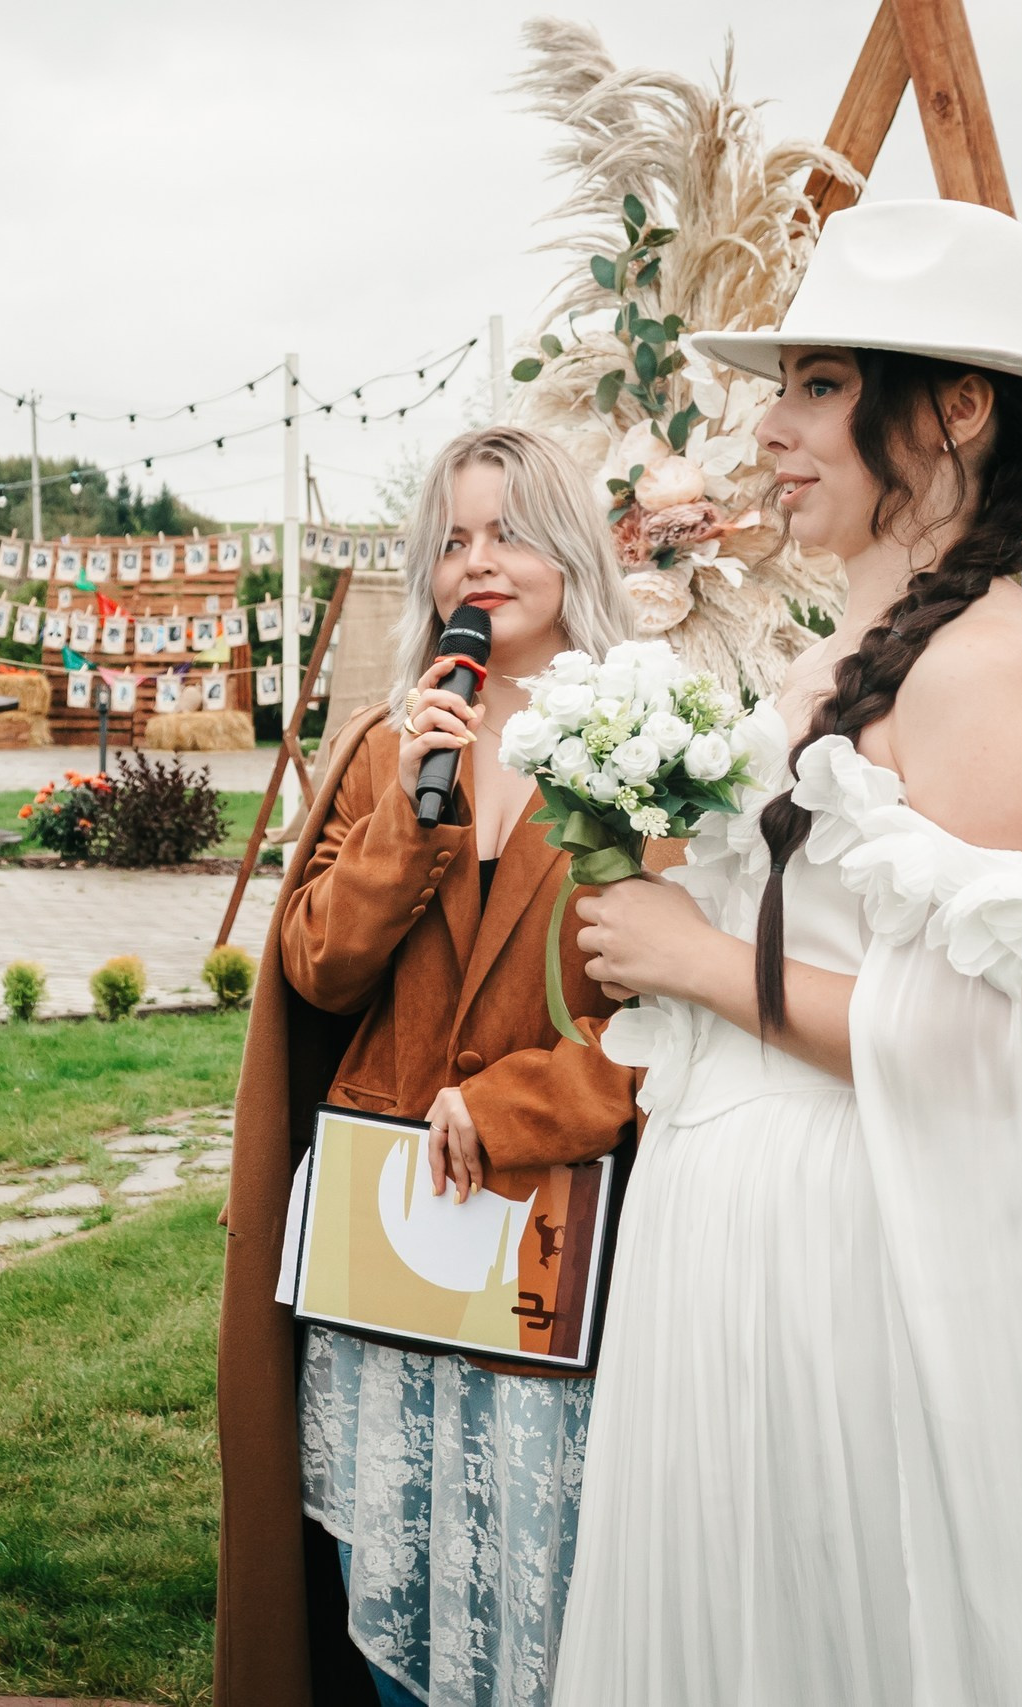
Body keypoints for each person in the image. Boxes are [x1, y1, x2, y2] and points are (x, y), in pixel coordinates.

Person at [552, 199, 1022, 1704]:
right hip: (744, 1226)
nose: (770, 427)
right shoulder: (837, 651)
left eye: (821, 385)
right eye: (786, 386)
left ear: (958, 408)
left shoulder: (996, 672)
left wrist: (690, 960)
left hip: (864, 1251)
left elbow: (969, 1041)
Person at [218, 425, 664, 1707]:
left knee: (547, 1585)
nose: (478, 562)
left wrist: (522, 1102)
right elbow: (318, 971)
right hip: (388, 1243)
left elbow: (682, 1013)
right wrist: (411, 807)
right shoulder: (386, 742)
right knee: (389, 1586)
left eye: (508, 532)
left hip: (557, 1242)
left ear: (569, 549)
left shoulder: (652, 743)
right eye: (454, 539)